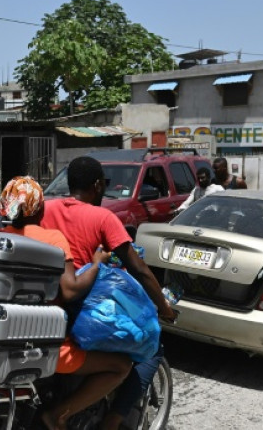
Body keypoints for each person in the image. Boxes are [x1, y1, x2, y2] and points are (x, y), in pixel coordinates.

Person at [41, 156, 177, 430]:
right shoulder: (102, 217)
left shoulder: (44, 210)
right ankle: (111, 421)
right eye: (103, 185)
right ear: (97, 186)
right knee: (151, 347)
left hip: (47, 307)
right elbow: (137, 268)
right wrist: (164, 308)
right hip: (81, 313)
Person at [0, 176, 131, 430]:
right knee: (121, 366)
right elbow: (70, 290)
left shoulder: (2, 236)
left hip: (7, 335)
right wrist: (97, 264)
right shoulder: (51, 238)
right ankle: (58, 415)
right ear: (38, 207)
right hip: (45, 343)